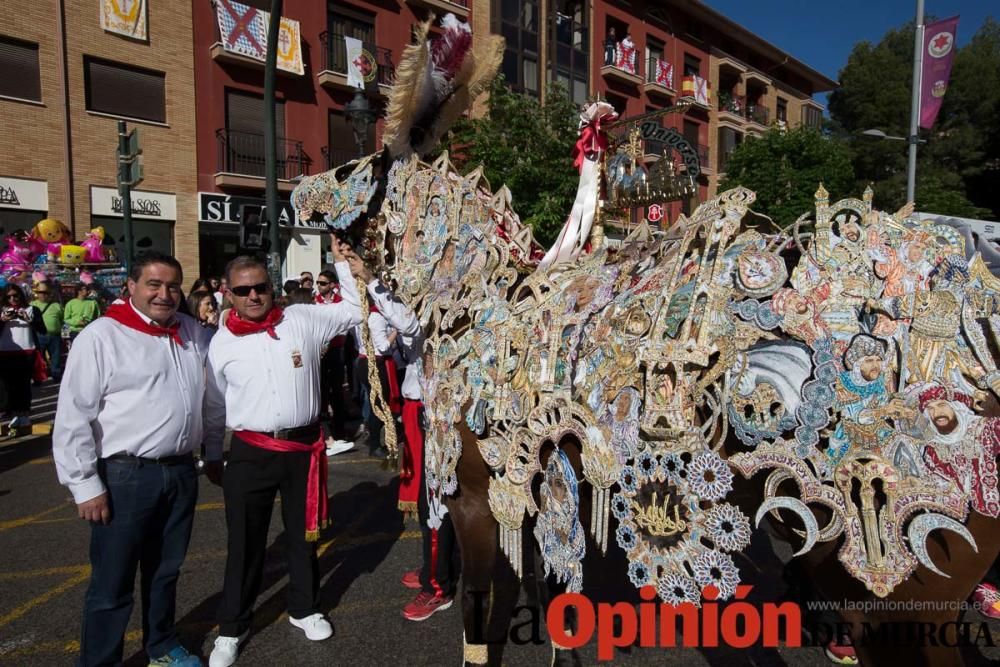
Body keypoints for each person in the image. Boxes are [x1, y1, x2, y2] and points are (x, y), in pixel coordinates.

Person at [204, 241, 406, 666]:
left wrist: (341, 260)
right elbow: (214, 406)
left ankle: (305, 607)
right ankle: (232, 627)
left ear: (271, 286)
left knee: (304, 535)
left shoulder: (301, 318)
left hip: (302, 448)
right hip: (250, 449)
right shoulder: (220, 343)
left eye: (260, 286)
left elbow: (353, 308)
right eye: (243, 291)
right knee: (245, 542)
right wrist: (212, 455)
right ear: (228, 293)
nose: (254, 296)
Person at [52, 252, 217, 667]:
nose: (165, 294)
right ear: (131, 286)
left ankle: (161, 645)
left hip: (180, 471)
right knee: (112, 583)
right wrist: (85, 485)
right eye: (154, 285)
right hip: (126, 476)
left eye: (173, 286)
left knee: (166, 572)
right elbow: (74, 415)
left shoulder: (192, 332)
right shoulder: (102, 336)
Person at [372, 287, 459, 621]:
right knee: (428, 499)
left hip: (435, 415)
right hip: (417, 413)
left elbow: (409, 326)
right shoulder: (419, 305)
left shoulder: (436, 309)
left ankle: (438, 586)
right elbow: (383, 339)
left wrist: (371, 281)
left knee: (434, 500)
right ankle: (434, 569)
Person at [1, 285, 45, 434]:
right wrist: (2, 320)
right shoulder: (2, 311)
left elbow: (42, 330)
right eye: (9, 297)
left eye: (15, 296)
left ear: (21, 296)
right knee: (8, 386)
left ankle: (24, 413)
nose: (12, 299)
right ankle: (13, 413)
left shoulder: (32, 310)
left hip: (27, 352)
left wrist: (29, 320)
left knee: (24, 384)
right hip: (5, 353)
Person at [30, 281, 64, 381]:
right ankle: (38, 377)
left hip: (55, 336)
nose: (43, 295)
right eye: (41, 293)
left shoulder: (56, 305)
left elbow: (62, 319)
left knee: (56, 357)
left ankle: (56, 375)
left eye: (45, 293)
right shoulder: (32, 305)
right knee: (38, 358)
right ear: (37, 294)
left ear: (49, 294)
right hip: (38, 335)